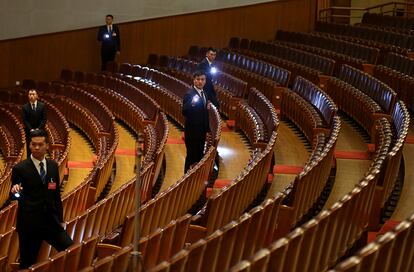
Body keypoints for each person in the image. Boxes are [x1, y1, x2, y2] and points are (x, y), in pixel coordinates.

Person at [10, 129, 73, 269]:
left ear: (47, 146)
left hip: (51, 222)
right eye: (33, 144)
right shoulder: (20, 168)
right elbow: (14, 196)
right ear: (30, 145)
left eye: (40, 144)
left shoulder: (52, 166)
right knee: (27, 263)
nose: (36, 147)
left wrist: (61, 220)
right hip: (30, 225)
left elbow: (56, 195)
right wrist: (15, 192)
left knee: (71, 249)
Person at [182, 71, 210, 173]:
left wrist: (207, 130)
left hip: (201, 132)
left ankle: (194, 177)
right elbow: (184, 112)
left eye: (202, 79)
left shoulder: (204, 94)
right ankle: (185, 177)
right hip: (192, 132)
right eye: (198, 79)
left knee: (199, 156)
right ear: (194, 80)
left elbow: (205, 114)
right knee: (191, 156)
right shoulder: (189, 94)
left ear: (205, 81)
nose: (200, 82)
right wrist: (191, 104)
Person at [22, 89, 47, 157]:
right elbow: (25, 120)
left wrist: (38, 129)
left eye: (33, 94)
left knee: (40, 148)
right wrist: (31, 129)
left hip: (40, 131)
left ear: (37, 96)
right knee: (30, 148)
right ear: (28, 96)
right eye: (30, 94)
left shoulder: (42, 106)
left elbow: (44, 119)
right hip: (29, 131)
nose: (31, 96)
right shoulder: (25, 107)